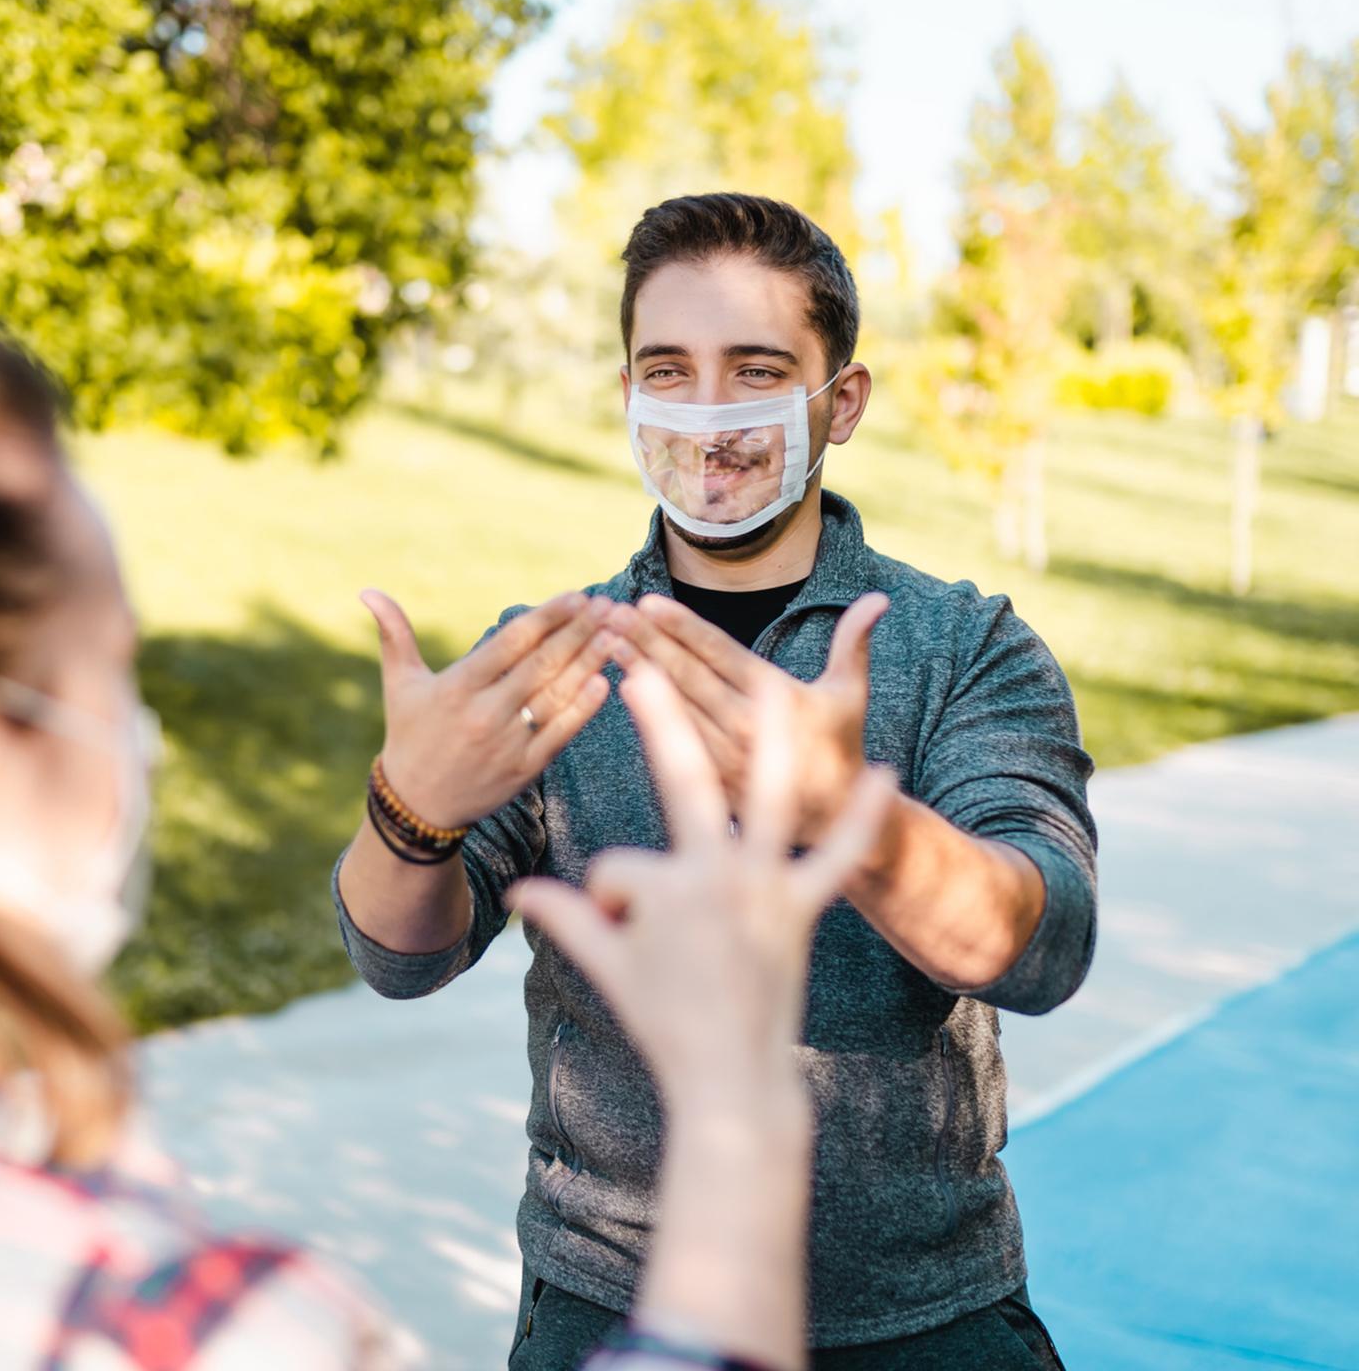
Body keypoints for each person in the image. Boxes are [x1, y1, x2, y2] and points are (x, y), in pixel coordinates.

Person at [0, 267, 894, 1371]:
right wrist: (738, 1109)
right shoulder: (172, 1322)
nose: (137, 738)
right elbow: (397, 948)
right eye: (111, 671)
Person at [334, 193, 1095, 1369]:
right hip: (610, 1302)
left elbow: (1044, 945)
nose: (711, 418)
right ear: (628, 397)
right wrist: (408, 812)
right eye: (668, 371)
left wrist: (853, 820)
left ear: (838, 403)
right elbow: (399, 957)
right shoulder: (550, 656)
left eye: (754, 371)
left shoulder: (963, 645)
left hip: (927, 1314)